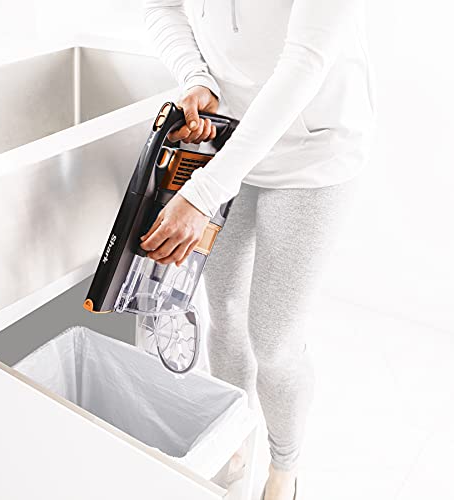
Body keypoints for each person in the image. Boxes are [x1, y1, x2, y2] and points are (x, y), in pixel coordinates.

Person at [139, 0, 376, 498]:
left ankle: (284, 466)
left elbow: (304, 62)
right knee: (224, 312)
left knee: (274, 342)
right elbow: (160, 5)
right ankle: (234, 442)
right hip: (230, 139)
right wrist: (195, 76)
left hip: (313, 152)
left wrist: (203, 194)